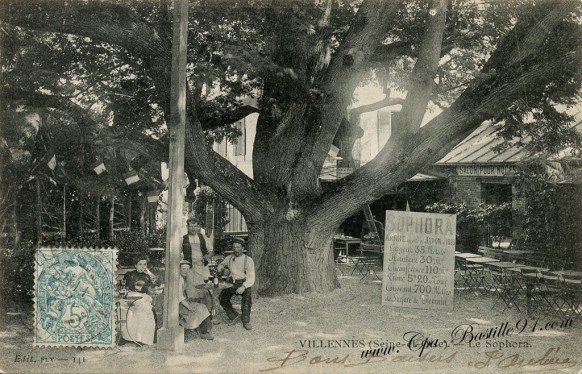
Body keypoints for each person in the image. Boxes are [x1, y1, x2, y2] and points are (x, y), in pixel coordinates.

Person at [120, 256, 159, 346]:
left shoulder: (147, 276)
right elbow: (123, 287)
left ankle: (142, 338)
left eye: (145, 264)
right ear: (135, 265)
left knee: (145, 309)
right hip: (131, 296)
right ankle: (133, 337)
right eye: (140, 264)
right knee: (143, 308)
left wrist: (149, 273)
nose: (143, 266)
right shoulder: (129, 274)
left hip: (143, 297)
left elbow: (157, 283)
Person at [217, 238, 255, 330]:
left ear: (243, 248)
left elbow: (251, 276)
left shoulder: (248, 260)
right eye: (234, 247)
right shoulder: (229, 258)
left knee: (246, 299)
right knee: (222, 298)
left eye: (238, 247)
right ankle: (234, 316)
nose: (236, 250)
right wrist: (220, 267)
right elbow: (222, 264)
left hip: (243, 282)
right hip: (231, 283)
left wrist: (243, 286)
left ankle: (246, 320)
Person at [179, 260, 214, 340]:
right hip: (177, 305)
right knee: (201, 308)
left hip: (181, 302)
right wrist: (189, 307)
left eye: (187, 269)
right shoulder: (179, 280)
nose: (186, 271)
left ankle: (205, 329)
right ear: (179, 269)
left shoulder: (184, 278)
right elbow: (180, 297)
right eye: (183, 269)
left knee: (201, 305)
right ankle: (205, 332)